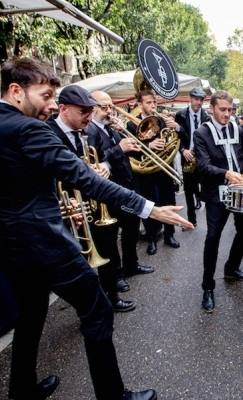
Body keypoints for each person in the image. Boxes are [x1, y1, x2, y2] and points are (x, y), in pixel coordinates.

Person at [0, 57, 192, 400]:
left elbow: (2, 192)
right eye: (45, 96)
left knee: (31, 312)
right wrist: (150, 209)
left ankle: (22, 389)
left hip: (1, 246)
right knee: (97, 310)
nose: (52, 106)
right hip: (41, 244)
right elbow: (84, 178)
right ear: (15, 91)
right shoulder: (28, 128)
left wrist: (53, 206)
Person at [46, 86, 141, 313]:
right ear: (63, 109)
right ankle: (86, 308)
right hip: (69, 207)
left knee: (108, 250)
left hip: (97, 205)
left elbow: (104, 158)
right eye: (83, 112)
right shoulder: (47, 132)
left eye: (91, 111)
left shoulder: (92, 131)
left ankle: (111, 297)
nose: (89, 117)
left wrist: (103, 167)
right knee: (75, 260)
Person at [194, 90, 243, 313]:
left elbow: (240, 155)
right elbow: (202, 166)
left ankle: (231, 267)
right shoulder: (201, 133)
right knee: (212, 237)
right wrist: (226, 173)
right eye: (222, 109)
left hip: (238, 190)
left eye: (230, 110)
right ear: (211, 108)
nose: (227, 114)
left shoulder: (237, 128)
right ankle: (207, 287)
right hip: (216, 193)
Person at [90, 90, 148, 304]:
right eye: (104, 107)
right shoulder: (90, 131)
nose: (109, 111)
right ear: (93, 108)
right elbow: (95, 161)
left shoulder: (109, 128)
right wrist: (119, 148)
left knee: (132, 227)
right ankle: (115, 276)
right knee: (111, 238)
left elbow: (125, 152)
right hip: (110, 194)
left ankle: (131, 264)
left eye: (110, 107)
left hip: (127, 187)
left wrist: (128, 140)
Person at [127, 89, 182, 255]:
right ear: (140, 104)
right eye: (148, 103)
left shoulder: (161, 120)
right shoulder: (130, 123)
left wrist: (176, 128)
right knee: (149, 205)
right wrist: (149, 146)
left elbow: (174, 138)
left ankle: (169, 235)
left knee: (168, 201)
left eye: (154, 102)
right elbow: (129, 150)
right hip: (146, 172)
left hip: (164, 169)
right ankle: (152, 238)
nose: (152, 106)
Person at [175, 87, 208, 228]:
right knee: (188, 190)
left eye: (201, 100)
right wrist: (183, 150)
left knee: (205, 185)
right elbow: (176, 138)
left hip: (201, 156)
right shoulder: (180, 115)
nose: (198, 102)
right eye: (196, 99)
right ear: (190, 98)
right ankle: (191, 219)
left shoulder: (206, 116)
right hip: (187, 156)